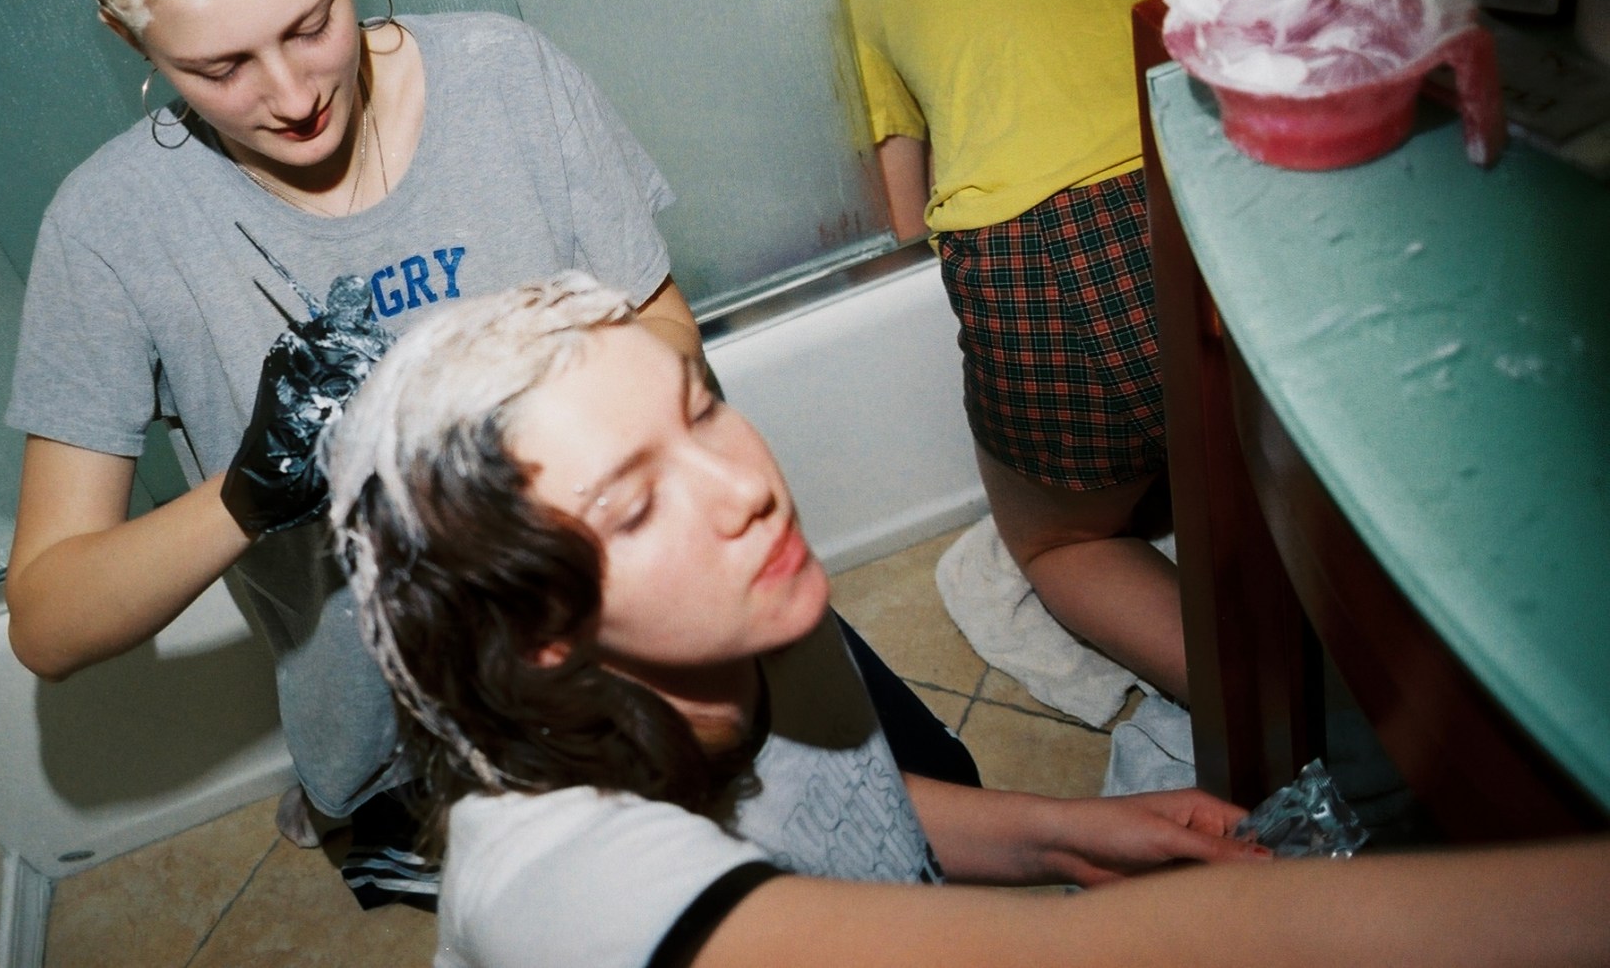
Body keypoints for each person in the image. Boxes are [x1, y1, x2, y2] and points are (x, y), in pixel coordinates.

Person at [323, 274, 1610, 968]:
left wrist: (1072, 832)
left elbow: (828, 800)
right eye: (630, 502)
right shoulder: (563, 893)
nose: (745, 488)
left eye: (702, 405)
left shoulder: (734, 610)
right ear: (538, 632)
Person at [2, 0, 706, 906]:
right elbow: (50, 622)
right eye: (218, 67)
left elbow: (672, 342)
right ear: (126, 40)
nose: (288, 95)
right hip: (391, 740)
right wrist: (246, 491)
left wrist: (523, 403)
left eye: (309, 25)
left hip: (615, 635)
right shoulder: (109, 229)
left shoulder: (506, 77)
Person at [841, 0, 1188, 700]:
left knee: (1062, 543)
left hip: (1043, 245)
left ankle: (1281, 718)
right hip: (1207, 175)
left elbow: (898, 215)